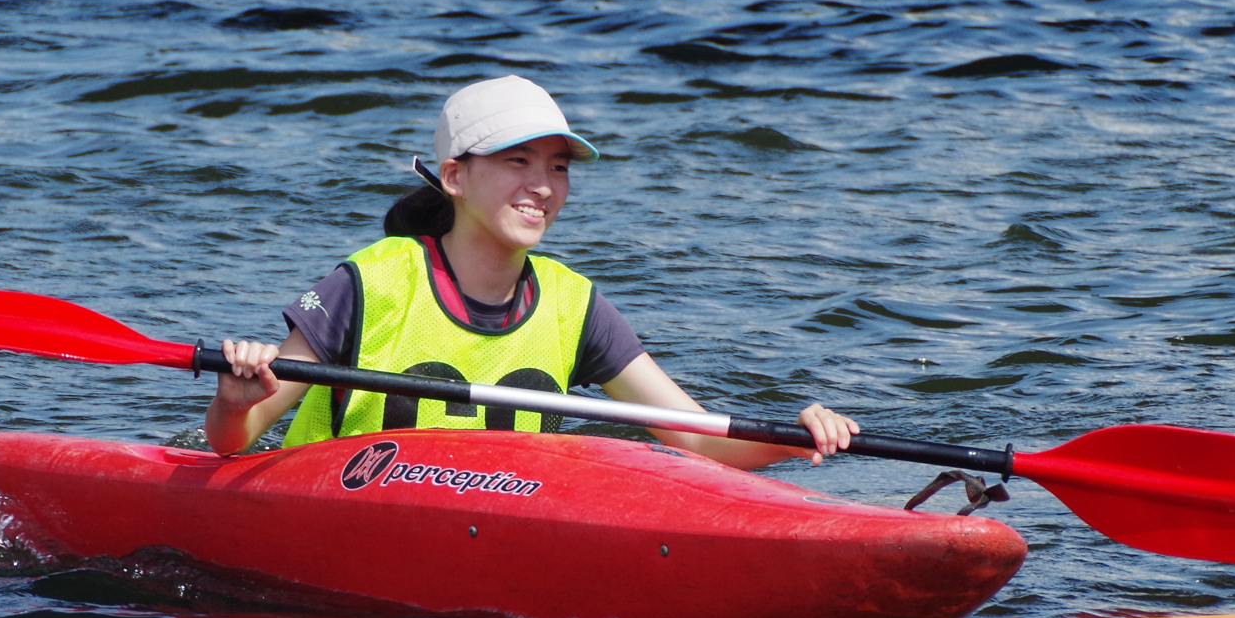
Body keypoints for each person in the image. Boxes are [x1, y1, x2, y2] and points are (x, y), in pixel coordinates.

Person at [204, 75, 859, 467]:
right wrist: (234, 402)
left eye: (559, 167)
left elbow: (698, 441)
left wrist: (794, 438)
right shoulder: (369, 282)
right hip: (339, 516)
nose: (542, 186)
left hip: (495, 526)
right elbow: (236, 444)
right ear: (455, 176)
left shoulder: (576, 305)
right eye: (518, 162)